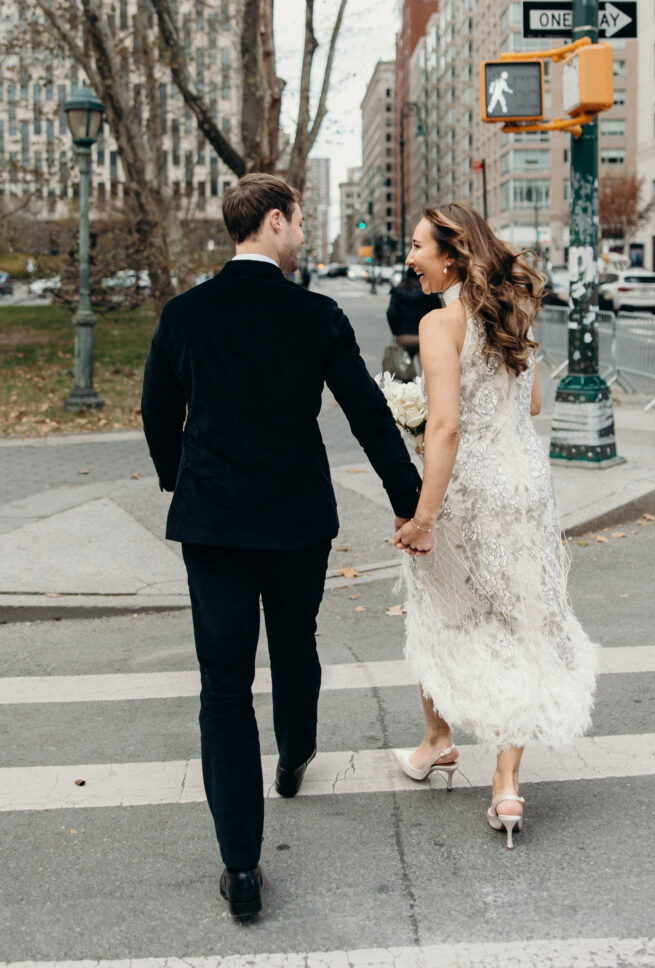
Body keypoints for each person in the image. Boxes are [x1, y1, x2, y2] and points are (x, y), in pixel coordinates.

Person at [140, 173, 422, 919]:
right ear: (273, 221)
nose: (302, 233)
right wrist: (409, 502)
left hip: (214, 525)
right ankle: (295, 752)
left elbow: (156, 410)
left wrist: (182, 479)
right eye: (298, 220)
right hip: (296, 520)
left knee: (223, 688)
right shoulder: (316, 315)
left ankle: (240, 867)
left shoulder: (185, 314)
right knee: (296, 642)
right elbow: (365, 412)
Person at [392, 203, 597, 850]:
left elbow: (447, 428)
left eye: (419, 246)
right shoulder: (512, 314)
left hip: (469, 488)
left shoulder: (439, 322)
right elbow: (530, 402)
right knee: (522, 619)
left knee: (439, 610)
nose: (410, 257)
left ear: (450, 256)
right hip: (527, 486)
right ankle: (505, 785)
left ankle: (437, 739)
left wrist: (423, 516)